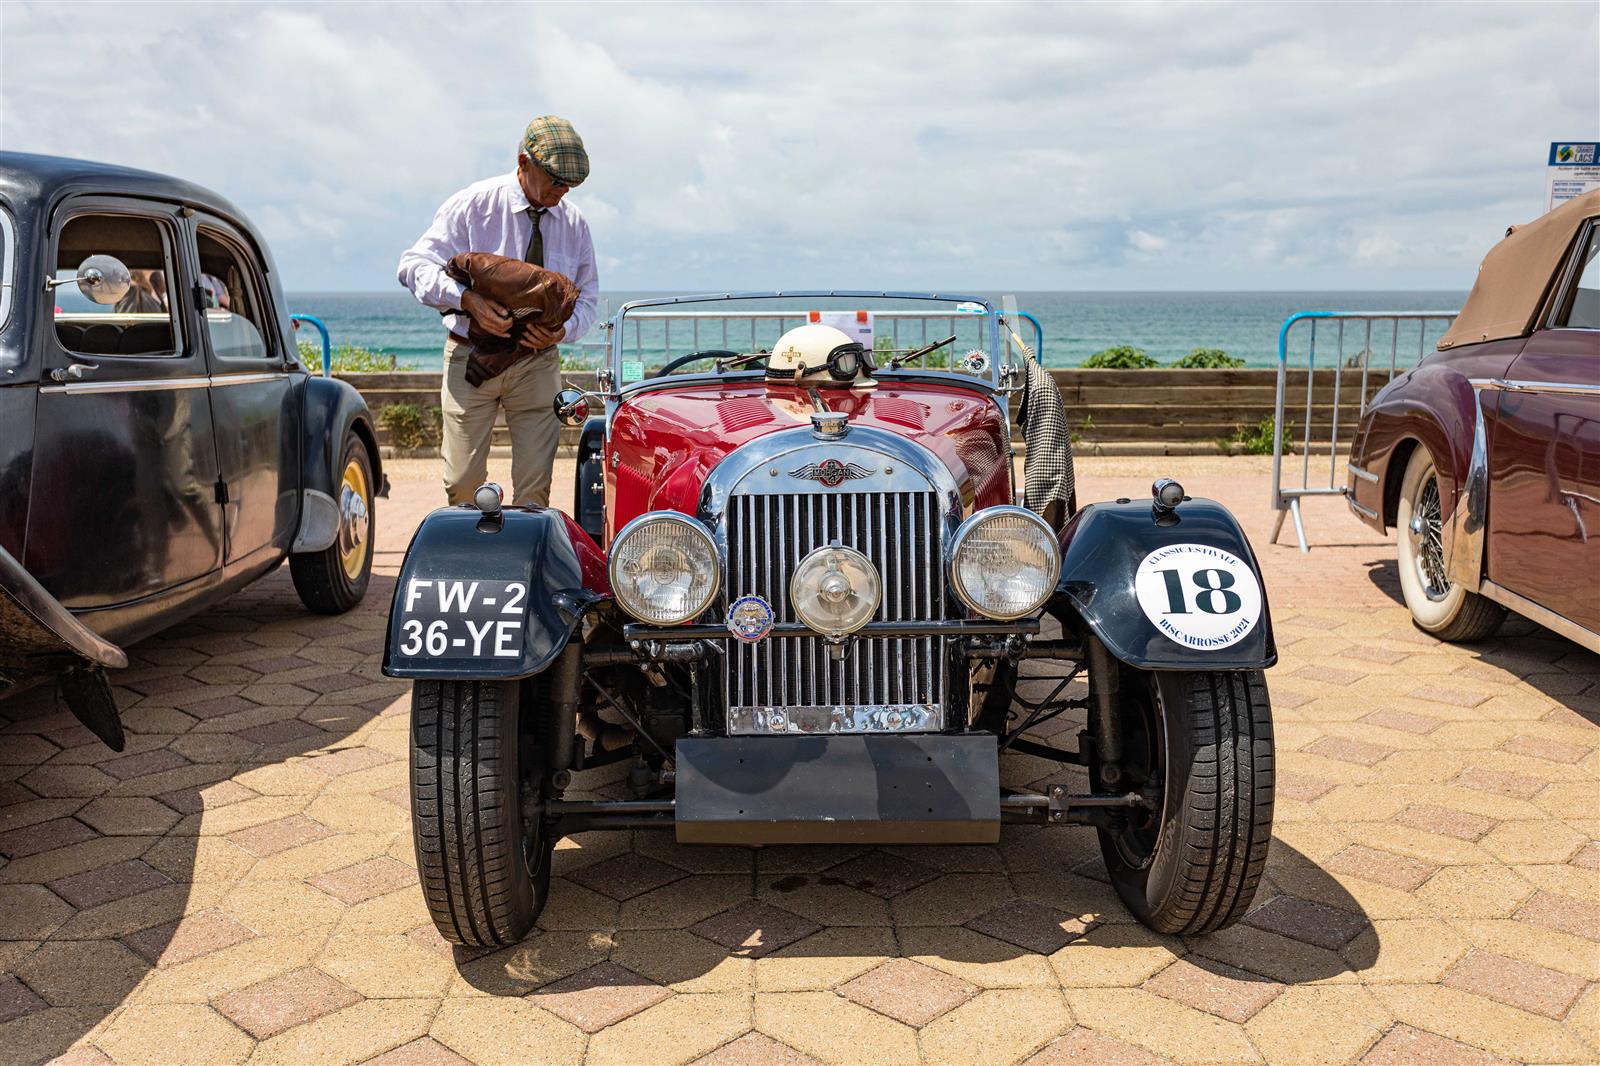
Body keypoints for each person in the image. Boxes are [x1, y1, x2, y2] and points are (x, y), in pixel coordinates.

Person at [398, 115, 598, 508]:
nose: (563, 190)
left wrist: (562, 332)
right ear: (523, 162)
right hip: (471, 355)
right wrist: (466, 300)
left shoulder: (574, 224)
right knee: (461, 484)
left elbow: (588, 299)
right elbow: (413, 265)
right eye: (556, 179)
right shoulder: (474, 204)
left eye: (570, 183)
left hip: (537, 362)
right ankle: (474, 558)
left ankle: (523, 565)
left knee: (535, 489)